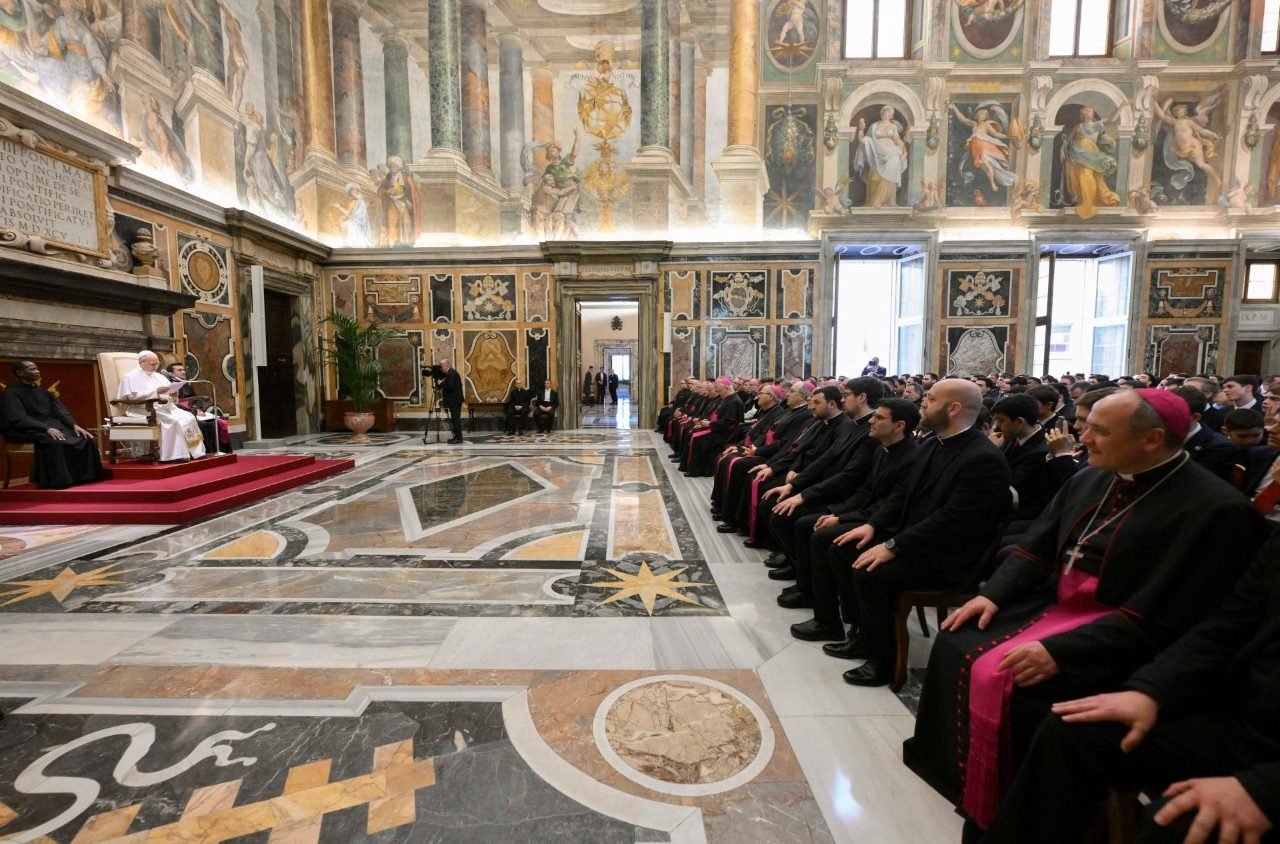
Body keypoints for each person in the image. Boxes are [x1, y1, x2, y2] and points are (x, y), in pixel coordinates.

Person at [904, 388, 1268, 834]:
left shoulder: (1217, 510)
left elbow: (1177, 614)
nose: (1081, 437)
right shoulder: (1092, 477)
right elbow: (1036, 547)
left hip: (1133, 636)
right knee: (956, 641)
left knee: (1023, 687)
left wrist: (1066, 651)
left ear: (1151, 439)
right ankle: (966, 785)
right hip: (1061, 605)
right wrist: (992, 594)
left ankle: (1025, 815)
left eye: (1097, 430)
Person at [981, 530, 1280, 844]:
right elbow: (1228, 626)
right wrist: (1148, 691)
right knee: (1073, 729)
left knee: (1175, 825)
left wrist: (1262, 790)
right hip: (1247, 725)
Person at [827, 379, 1012, 685]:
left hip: (948, 556)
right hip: (918, 541)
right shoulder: (932, 443)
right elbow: (902, 496)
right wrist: (872, 526)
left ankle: (883, 662)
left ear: (953, 408)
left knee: (869, 573)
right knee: (842, 548)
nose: (923, 403)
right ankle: (862, 633)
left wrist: (893, 545)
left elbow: (952, 521)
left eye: (931, 399)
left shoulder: (982, 459)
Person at [789, 398, 920, 645]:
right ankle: (827, 617)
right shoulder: (883, 449)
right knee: (815, 528)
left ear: (899, 426)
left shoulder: (911, 457)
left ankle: (844, 623)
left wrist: (850, 520)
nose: (871, 420)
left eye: (879, 418)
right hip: (869, 515)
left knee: (831, 542)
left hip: (888, 525)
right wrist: (838, 515)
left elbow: (892, 505)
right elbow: (866, 492)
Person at [1, 360, 104, 489]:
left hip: (50, 426)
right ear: (19, 372)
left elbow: (60, 411)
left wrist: (74, 425)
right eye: (32, 369)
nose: (37, 371)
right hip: (25, 429)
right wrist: (46, 428)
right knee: (56, 442)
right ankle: (61, 480)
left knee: (85, 438)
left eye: (37, 368)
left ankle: (83, 477)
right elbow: (19, 418)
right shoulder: (11, 393)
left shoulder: (43, 392)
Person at [117, 351, 206, 462]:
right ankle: (175, 455)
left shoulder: (159, 376)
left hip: (165, 407)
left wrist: (174, 394)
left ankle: (196, 452)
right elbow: (130, 398)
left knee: (189, 417)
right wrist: (155, 392)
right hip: (143, 409)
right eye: (152, 364)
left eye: (157, 364)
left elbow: (168, 393)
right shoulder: (129, 377)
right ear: (141, 363)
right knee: (173, 421)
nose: (155, 366)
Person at [1173, 385, 1239, 482]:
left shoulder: (1220, 447)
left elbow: (1192, 482)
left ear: (1195, 417)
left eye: (1173, 414)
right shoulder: (1159, 436)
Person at [164, 362, 229, 454]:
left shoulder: (187, 383)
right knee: (204, 424)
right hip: (181, 411)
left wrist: (198, 409)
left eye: (183, 370)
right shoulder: (168, 384)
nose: (183, 372)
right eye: (179, 370)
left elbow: (195, 398)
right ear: (171, 373)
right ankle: (204, 451)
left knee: (218, 421)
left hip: (192, 409)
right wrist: (191, 411)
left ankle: (219, 450)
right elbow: (174, 404)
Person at [439, 359, 464, 444]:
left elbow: (450, 386)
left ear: (446, 365)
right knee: (454, 419)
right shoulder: (451, 373)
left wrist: (442, 382)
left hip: (455, 401)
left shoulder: (451, 373)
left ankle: (458, 438)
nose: (441, 369)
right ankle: (456, 437)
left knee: (456, 419)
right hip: (454, 401)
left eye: (442, 367)